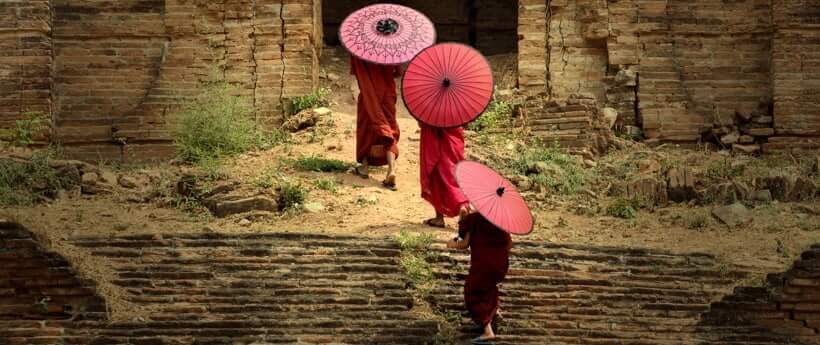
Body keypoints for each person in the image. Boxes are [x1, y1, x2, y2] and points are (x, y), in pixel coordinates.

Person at [447, 210, 512, 344]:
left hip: (483, 263)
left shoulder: (474, 219)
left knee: (473, 292)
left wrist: (452, 243)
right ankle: (494, 313)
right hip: (500, 264)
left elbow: (464, 244)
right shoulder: (501, 220)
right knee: (488, 287)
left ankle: (487, 330)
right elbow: (509, 245)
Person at [349, 56, 401, 190]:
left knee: (366, 128)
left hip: (368, 93)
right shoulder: (390, 45)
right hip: (388, 93)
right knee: (389, 128)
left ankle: (365, 167)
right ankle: (391, 169)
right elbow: (396, 71)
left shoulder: (360, 46)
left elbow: (356, 71)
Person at [419, 124, 469, 227]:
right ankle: (462, 205)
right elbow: (465, 123)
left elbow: (421, 123)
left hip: (432, 139)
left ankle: (439, 218)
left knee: (436, 177)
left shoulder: (429, 109)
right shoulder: (456, 109)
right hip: (453, 140)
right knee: (454, 174)